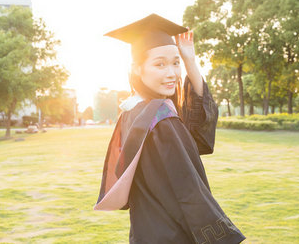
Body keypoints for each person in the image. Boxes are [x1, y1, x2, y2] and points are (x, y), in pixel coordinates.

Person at [93, 13, 246, 244]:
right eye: (159, 64)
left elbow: (195, 140)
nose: (172, 73)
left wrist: (190, 62)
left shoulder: (132, 112)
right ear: (137, 69)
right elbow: (188, 190)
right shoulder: (161, 119)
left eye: (176, 63)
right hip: (172, 235)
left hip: (145, 233)